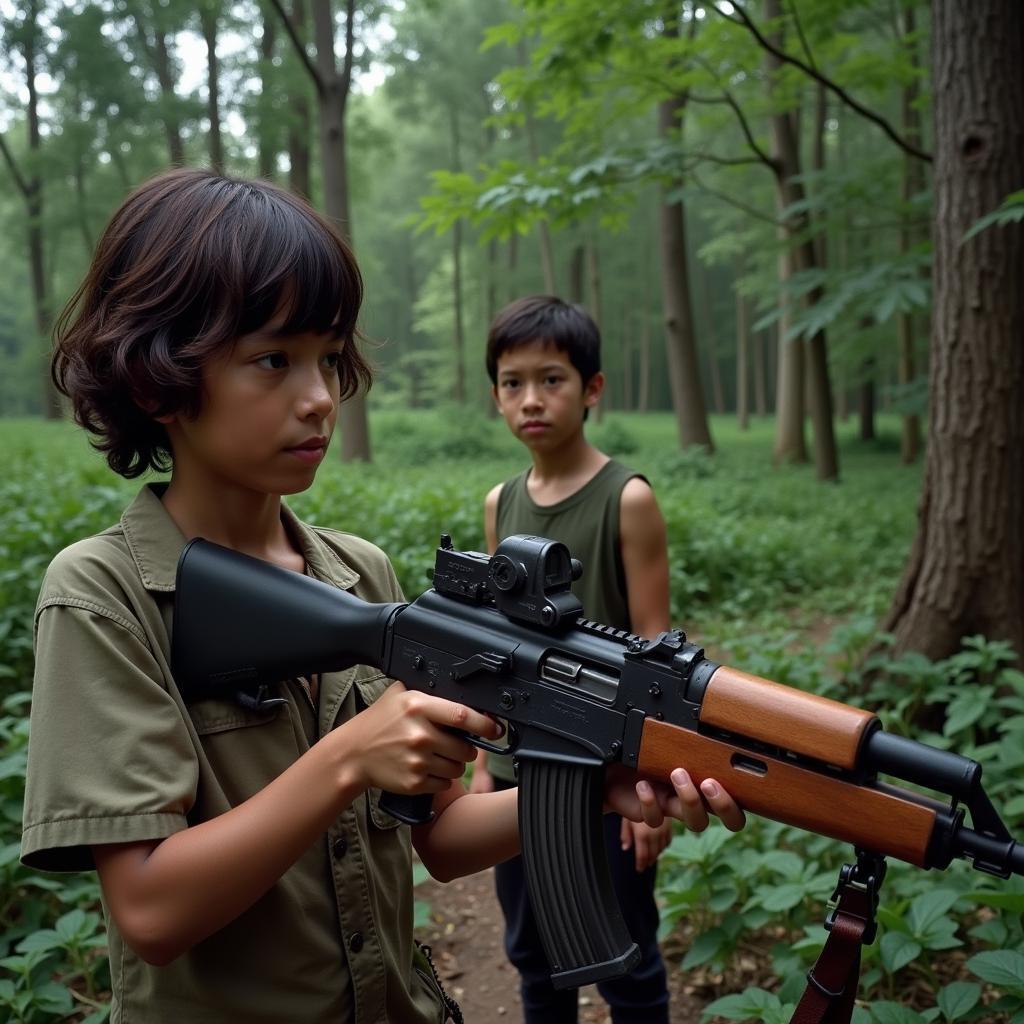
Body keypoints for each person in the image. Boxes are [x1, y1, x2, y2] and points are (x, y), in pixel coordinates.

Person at [20, 170, 745, 1024]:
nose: (321, 397)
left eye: (328, 358)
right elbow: (148, 911)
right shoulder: (102, 594)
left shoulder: (361, 576)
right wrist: (345, 761)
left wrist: (594, 785)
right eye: (272, 361)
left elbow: (439, 834)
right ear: (156, 381)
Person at [471, 295, 693, 1024]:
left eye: (552, 379)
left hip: (606, 779)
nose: (531, 399)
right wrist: (481, 765)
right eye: (512, 382)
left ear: (592, 388)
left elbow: (658, 653)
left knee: (629, 967)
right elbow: (498, 648)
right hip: (518, 777)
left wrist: (651, 781)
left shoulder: (625, 499)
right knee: (535, 963)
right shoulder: (498, 503)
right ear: (496, 393)